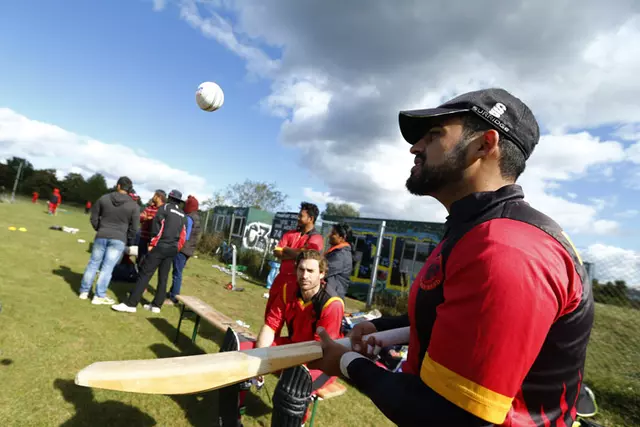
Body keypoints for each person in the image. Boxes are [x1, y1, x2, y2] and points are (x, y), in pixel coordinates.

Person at [310, 88, 595, 427]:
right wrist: (381, 328)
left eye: (434, 135)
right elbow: (450, 317)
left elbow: (450, 416)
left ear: (484, 144)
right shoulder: (475, 229)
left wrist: (346, 364)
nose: (415, 148)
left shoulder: (507, 248)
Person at [220, 250, 344, 426]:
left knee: (294, 385)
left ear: (322, 274)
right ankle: (230, 420)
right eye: (301, 269)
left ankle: (297, 422)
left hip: (322, 362)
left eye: (310, 271)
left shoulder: (332, 304)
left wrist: (280, 364)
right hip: (294, 347)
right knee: (239, 355)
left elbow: (321, 350)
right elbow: (271, 325)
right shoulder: (289, 289)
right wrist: (260, 357)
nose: (304, 275)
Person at [112, 189, 187, 314]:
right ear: (179, 201)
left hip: (160, 246)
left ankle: (131, 304)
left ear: (169, 197)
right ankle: (157, 305)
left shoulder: (164, 208)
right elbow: (183, 235)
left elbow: (158, 228)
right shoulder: (182, 214)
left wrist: (152, 244)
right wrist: (176, 247)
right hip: (172, 249)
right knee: (163, 277)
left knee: (145, 274)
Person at [78, 177, 140, 305]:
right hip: (119, 238)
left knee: (93, 264)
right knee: (107, 268)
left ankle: (84, 291)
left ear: (118, 186)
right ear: (129, 189)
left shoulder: (104, 198)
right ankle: (99, 296)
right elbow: (134, 227)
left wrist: (99, 228)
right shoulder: (134, 205)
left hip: (102, 234)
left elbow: (93, 217)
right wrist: (127, 238)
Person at [266, 202, 324, 328]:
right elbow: (277, 251)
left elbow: (306, 256)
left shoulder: (316, 238)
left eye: (301, 216)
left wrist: (286, 249)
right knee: (271, 313)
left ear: (311, 219)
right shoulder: (290, 233)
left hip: (296, 282)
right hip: (281, 279)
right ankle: (267, 343)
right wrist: (296, 253)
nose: (298, 218)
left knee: (292, 318)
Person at [166, 195, 201, 305]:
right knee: (178, 271)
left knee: (177, 273)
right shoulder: (197, 217)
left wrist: (177, 245)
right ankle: (172, 292)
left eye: (186, 204)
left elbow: (185, 235)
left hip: (183, 249)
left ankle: (174, 298)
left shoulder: (189, 218)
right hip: (189, 249)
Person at [324, 222, 355, 300]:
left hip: (332, 298)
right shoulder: (338, 252)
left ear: (342, 237)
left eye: (333, 233)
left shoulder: (341, 255)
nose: (330, 235)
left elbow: (323, 270)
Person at [137, 190, 166, 265]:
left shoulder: (164, 210)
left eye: (154, 195)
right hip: (143, 237)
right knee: (140, 259)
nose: (153, 197)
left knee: (149, 261)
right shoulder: (149, 207)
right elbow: (141, 217)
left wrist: (149, 217)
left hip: (154, 240)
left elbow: (158, 222)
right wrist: (148, 218)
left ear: (159, 197)